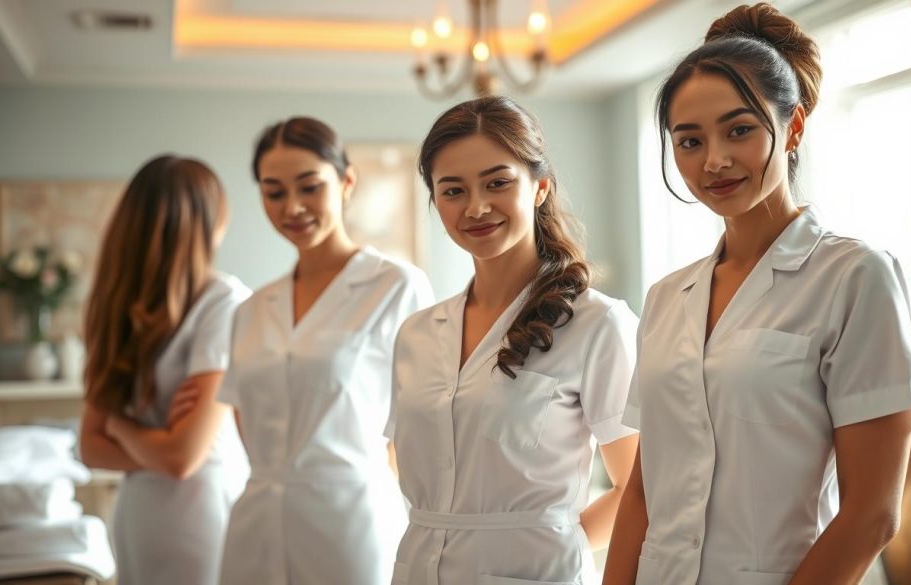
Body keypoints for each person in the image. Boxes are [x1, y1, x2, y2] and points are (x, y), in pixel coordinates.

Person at [602, 4, 911, 585]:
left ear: (794, 127)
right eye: (689, 141)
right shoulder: (664, 298)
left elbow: (872, 515)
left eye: (739, 130)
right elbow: (641, 490)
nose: (715, 161)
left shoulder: (853, 277)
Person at [387, 96, 640, 585]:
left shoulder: (596, 324)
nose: (476, 206)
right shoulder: (416, 334)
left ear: (540, 187)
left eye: (497, 182)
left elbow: (637, 487)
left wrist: (553, 541)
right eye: (453, 190)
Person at [217, 116, 434, 585]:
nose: (293, 206)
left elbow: (420, 425)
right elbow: (244, 424)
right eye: (274, 192)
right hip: (255, 526)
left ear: (346, 181)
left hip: (352, 527)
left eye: (309, 186)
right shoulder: (251, 310)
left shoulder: (395, 287)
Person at [79, 154, 250, 585]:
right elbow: (96, 448)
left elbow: (171, 453)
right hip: (198, 517)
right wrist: (157, 443)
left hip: (142, 511)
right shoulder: (223, 301)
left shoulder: (124, 306)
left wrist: (118, 425)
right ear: (209, 223)